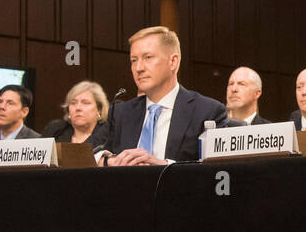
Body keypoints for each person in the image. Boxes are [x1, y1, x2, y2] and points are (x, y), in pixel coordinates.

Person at [104, 26, 229, 165]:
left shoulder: (208, 111)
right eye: (134, 60)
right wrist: (111, 161)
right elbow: (86, 154)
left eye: (148, 57)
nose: (139, 68)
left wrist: (162, 165)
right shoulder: (120, 113)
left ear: (173, 62)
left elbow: (214, 170)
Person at [41, 81, 110, 147]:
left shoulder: (109, 136)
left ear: (99, 109)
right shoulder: (55, 130)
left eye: (85, 103)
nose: (78, 108)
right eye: (73, 103)